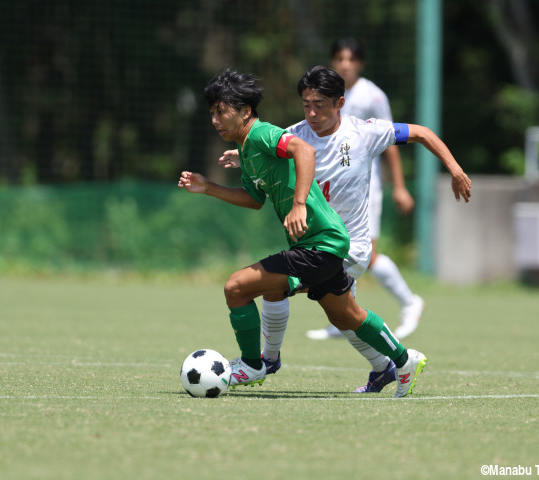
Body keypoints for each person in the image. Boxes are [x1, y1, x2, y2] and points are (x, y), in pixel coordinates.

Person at [178, 68, 433, 397]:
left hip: (320, 242)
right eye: (212, 112)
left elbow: (304, 150)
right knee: (347, 314)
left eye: (220, 112)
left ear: (244, 111)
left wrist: (299, 204)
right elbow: (254, 200)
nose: (215, 120)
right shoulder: (247, 150)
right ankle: (402, 360)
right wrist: (208, 187)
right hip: (323, 242)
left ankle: (257, 363)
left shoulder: (261, 135)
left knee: (237, 288)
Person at [307, 37, 424, 342]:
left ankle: (409, 302)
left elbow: (392, 141)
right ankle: (342, 314)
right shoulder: (324, 93)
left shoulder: (373, 95)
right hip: (334, 190)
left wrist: (399, 186)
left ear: (360, 63)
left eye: (351, 59)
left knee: (365, 254)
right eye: (340, 59)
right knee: (337, 249)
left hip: (365, 190)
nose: (345, 64)